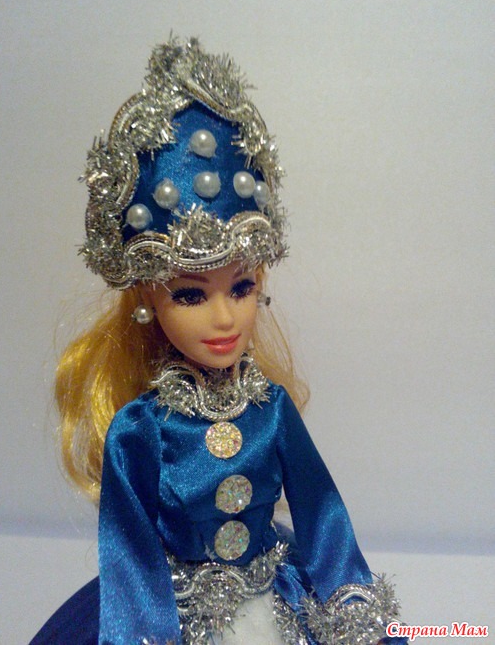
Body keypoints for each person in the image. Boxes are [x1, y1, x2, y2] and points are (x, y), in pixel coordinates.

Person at [31, 37, 407, 645]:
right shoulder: (140, 430)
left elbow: (321, 512)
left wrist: (349, 603)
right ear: (148, 298)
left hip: (276, 595)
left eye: (242, 287)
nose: (225, 317)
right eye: (190, 295)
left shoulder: (271, 409)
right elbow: (130, 553)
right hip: (173, 612)